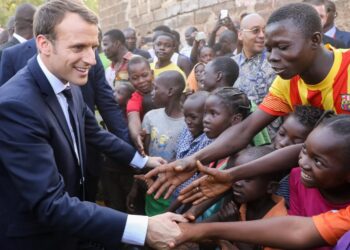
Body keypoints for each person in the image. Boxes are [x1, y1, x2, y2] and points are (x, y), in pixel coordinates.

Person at [0, 1, 186, 249]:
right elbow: (50, 203)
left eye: (94, 47)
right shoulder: (16, 106)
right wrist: (144, 228)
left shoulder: (68, 83)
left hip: (73, 228)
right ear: (44, 44)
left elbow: (94, 134)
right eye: (78, 47)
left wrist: (143, 161)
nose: (92, 60)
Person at [145, 2, 350, 201]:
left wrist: (233, 174)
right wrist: (191, 160)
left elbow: (314, 149)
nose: (273, 57)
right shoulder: (288, 83)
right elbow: (245, 130)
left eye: (283, 47)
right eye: (269, 49)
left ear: (315, 40)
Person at [170, 115, 350, 250]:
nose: (302, 162)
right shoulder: (297, 178)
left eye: (318, 161)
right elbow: (293, 228)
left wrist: (201, 231)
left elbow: (297, 231)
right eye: (303, 150)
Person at [142, 71, 186, 216]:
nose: (152, 92)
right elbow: (146, 153)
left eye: (156, 88)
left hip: (175, 186)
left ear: (170, 91)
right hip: (152, 182)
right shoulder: (151, 117)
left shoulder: (188, 123)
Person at [126, 56, 156, 155]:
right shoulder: (134, 100)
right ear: (129, 80)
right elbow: (133, 118)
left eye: (144, 75)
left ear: (152, 73)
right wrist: (136, 135)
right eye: (135, 78)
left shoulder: (163, 88)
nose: (141, 81)